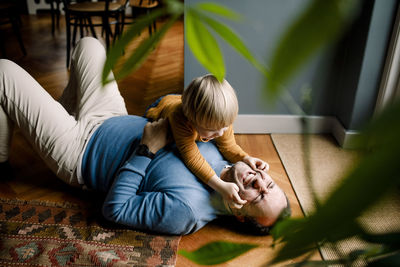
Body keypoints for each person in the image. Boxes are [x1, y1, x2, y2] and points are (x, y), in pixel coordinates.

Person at [0, 37, 290, 235]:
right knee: (89, 46)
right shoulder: (223, 151)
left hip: (79, 152)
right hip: (111, 115)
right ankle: (59, 113)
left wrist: (146, 150)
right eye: (270, 185)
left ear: (239, 211)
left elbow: (114, 210)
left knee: (3, 72)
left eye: (259, 196)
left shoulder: (187, 211)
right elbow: (185, 114)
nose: (260, 182)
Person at [145, 77, 268, 209]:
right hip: (162, 106)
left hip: (181, 100)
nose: (220, 133)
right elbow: (192, 159)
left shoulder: (220, 121)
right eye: (212, 130)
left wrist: (245, 158)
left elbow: (228, 146)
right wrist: (220, 185)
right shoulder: (180, 120)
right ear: (191, 122)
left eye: (225, 126)